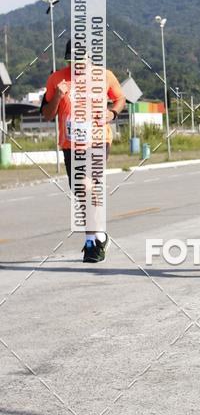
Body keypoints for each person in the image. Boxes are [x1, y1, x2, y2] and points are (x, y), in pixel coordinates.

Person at [42, 39, 126, 263]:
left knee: (86, 185)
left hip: (98, 141)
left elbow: (120, 99)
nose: (76, 66)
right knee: (82, 190)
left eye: (80, 61)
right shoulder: (56, 79)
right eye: (71, 61)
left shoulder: (104, 76)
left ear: (90, 57)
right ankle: (99, 236)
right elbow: (47, 114)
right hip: (71, 144)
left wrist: (111, 114)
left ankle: (91, 242)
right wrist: (58, 96)